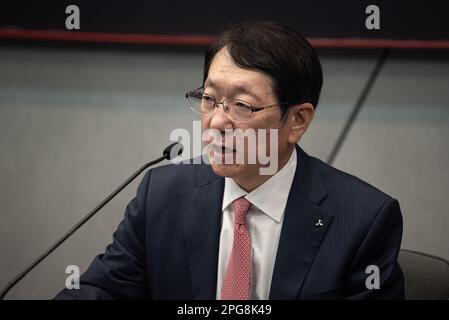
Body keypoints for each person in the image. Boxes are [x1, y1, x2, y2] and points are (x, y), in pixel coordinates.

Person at [55, 21, 404, 300]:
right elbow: (103, 291)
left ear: (297, 120)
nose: (217, 122)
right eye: (209, 99)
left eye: (243, 105)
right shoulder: (161, 195)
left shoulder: (363, 220)